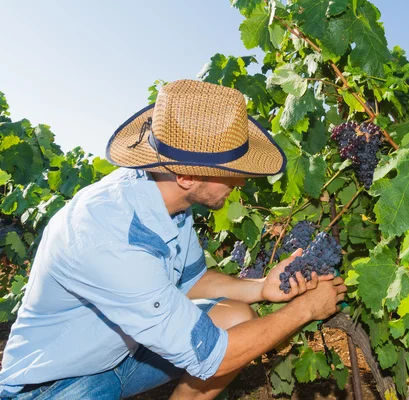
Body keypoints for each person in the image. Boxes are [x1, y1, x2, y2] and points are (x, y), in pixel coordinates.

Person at [0, 80, 347, 399]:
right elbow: (214, 359)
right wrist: (304, 310)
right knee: (213, 351)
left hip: (124, 354)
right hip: (54, 384)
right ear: (185, 175)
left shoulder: (170, 205)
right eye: (231, 173)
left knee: (237, 315)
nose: (240, 182)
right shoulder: (110, 235)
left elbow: (193, 280)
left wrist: (260, 287)